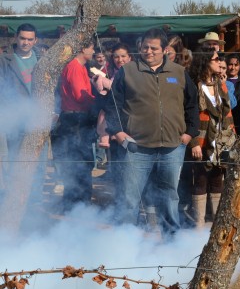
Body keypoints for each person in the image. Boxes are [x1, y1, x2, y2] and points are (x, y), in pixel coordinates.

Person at [106, 28, 199, 237]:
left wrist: (189, 133)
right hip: (136, 147)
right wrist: (118, 133)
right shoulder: (128, 71)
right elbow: (112, 105)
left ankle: (171, 241)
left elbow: (193, 105)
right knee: (130, 198)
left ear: (164, 50)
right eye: (145, 47)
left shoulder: (178, 72)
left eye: (154, 48)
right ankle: (126, 242)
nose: (148, 51)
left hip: (172, 147)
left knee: (169, 197)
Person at [187, 47, 236, 227]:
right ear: (206, 62)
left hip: (220, 141)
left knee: (217, 179)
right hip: (201, 141)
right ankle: (199, 224)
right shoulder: (193, 84)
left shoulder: (220, 85)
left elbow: (228, 113)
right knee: (200, 179)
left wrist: (232, 140)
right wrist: (193, 143)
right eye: (216, 59)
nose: (219, 63)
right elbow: (187, 117)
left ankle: (215, 222)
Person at [0, 23, 40, 200]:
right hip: (12, 120)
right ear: (16, 38)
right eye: (22, 38)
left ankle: (30, 202)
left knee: (32, 163)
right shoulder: (4, 60)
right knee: (10, 161)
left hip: (36, 120)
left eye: (30, 39)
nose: (26, 42)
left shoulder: (42, 60)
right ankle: (9, 199)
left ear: (35, 41)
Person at [58, 39, 97, 211]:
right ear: (83, 48)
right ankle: (76, 205)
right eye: (92, 48)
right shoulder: (74, 66)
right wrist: (102, 100)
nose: (94, 52)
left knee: (84, 162)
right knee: (79, 162)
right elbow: (81, 96)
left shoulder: (81, 67)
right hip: (76, 121)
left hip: (79, 120)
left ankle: (80, 203)